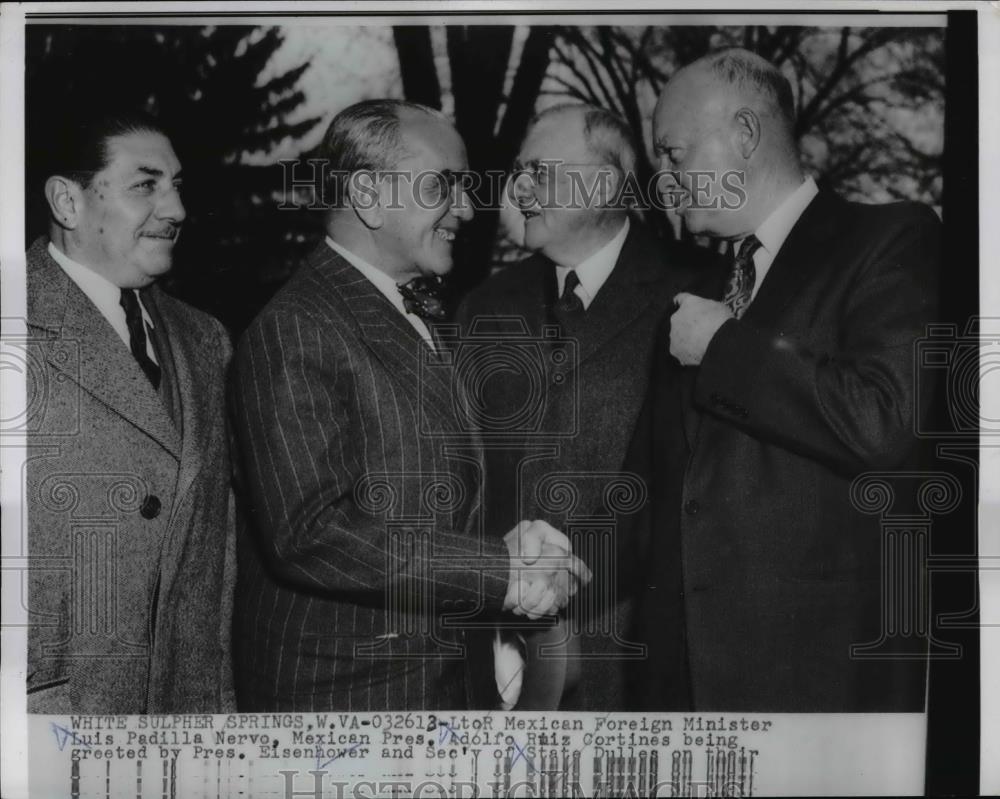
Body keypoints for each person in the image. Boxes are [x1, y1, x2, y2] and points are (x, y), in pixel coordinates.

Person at [229, 99, 589, 711]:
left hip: (426, 686)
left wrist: (512, 546)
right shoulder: (295, 328)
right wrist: (499, 571)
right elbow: (310, 533)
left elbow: (424, 496)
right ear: (367, 195)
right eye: (444, 186)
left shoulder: (406, 310)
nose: (469, 209)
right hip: (346, 704)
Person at [631, 48, 941, 710]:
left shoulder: (889, 240)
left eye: (674, 154)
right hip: (692, 689)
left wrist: (724, 347)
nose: (663, 179)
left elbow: (885, 419)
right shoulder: (701, 290)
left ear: (744, 135)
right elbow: (663, 494)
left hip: (823, 685)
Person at [456, 104, 715, 710]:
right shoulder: (483, 305)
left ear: (603, 183)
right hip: (502, 656)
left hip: (639, 659)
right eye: (517, 173)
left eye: (537, 172)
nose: (517, 190)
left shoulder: (698, 296)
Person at [25, 109, 237, 713]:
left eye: (176, 187)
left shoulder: (206, 340)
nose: (175, 210)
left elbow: (215, 562)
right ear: (68, 202)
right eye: (146, 185)